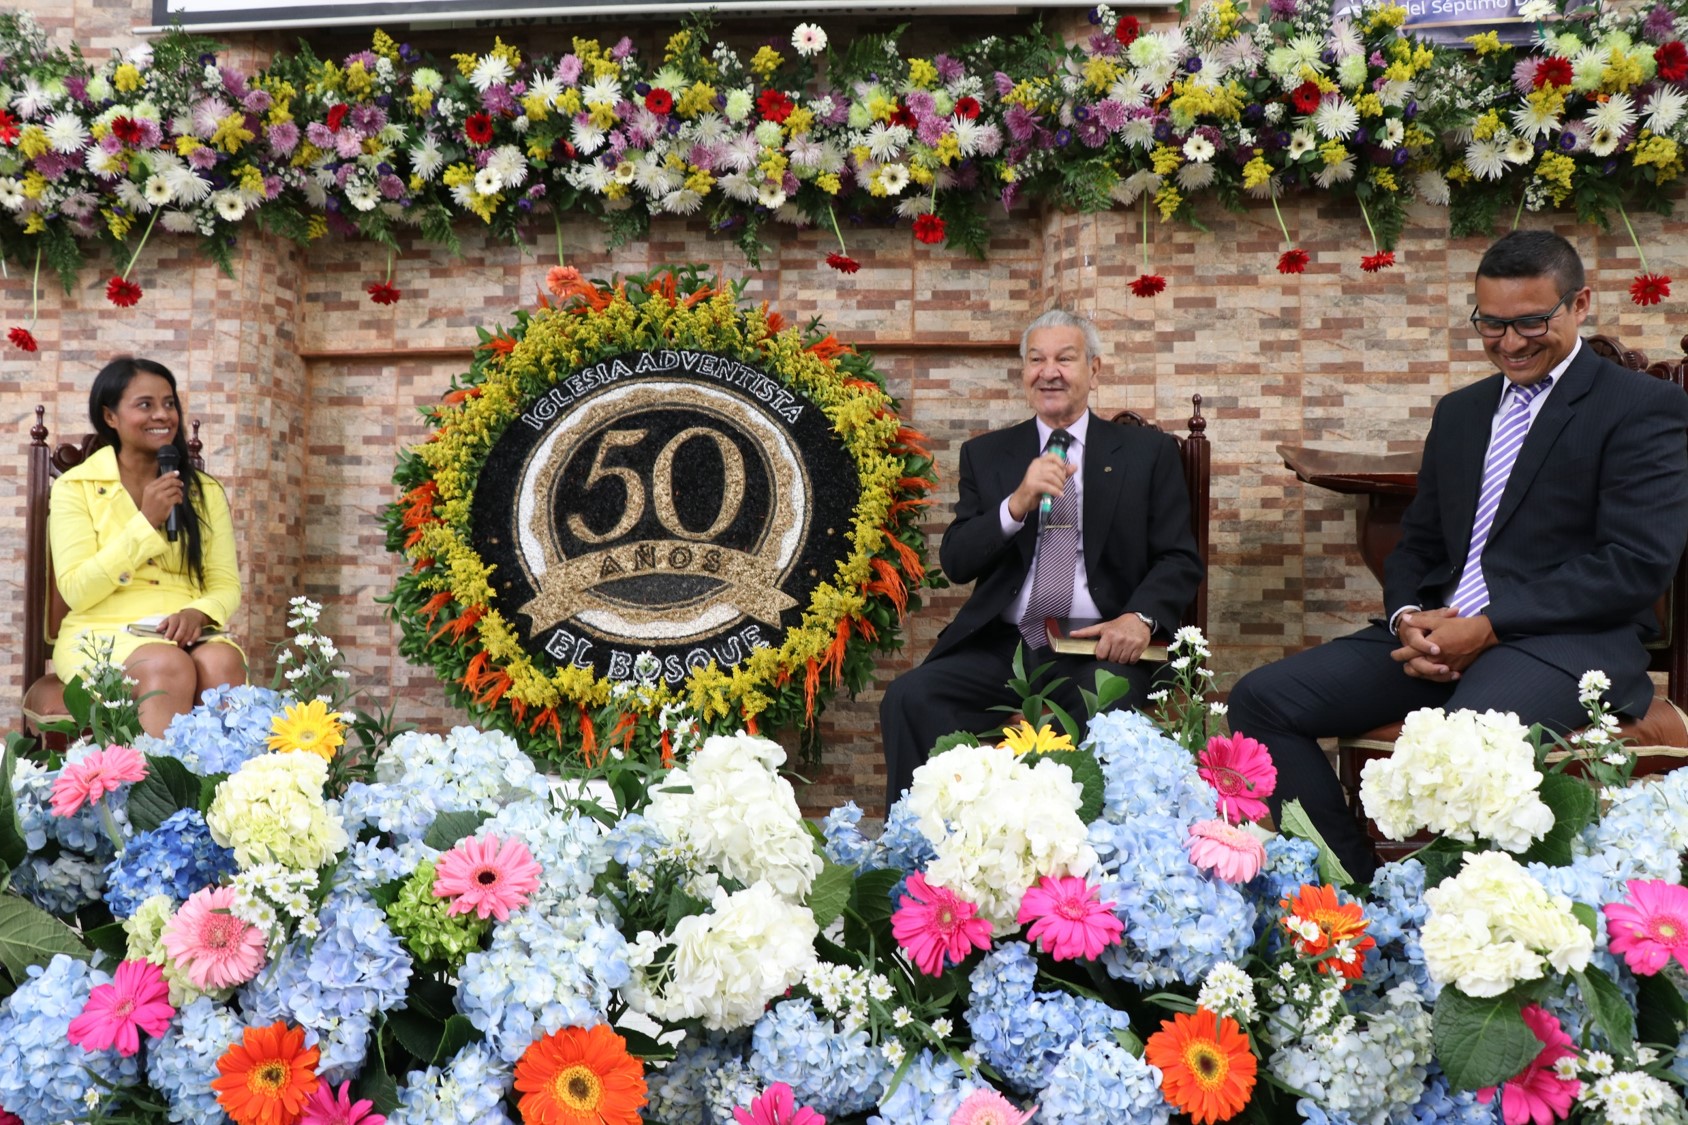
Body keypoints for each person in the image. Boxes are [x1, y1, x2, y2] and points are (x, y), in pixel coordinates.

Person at [1227, 230, 1688, 881]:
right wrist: (1409, 617)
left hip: (1566, 645)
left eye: (1531, 321)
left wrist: (1491, 624)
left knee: (1463, 740)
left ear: (1580, 304)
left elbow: (1637, 561)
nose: (1510, 342)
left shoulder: (1643, 407)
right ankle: (1352, 891)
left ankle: (1468, 913)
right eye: (1491, 324)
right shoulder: (1462, 412)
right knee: (1260, 700)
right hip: (1443, 632)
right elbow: (1419, 541)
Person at [879, 309, 1204, 806]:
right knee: (911, 697)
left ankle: (1080, 864)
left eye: (1065, 359)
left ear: (1094, 371)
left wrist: (1139, 619)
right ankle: (927, 852)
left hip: (1099, 646)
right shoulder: (988, 455)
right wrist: (1017, 504)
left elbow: (1178, 558)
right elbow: (957, 560)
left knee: (1098, 705)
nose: (1048, 371)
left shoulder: (1146, 453)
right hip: (1005, 645)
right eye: (1036, 359)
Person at [50, 357, 246, 738]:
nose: (163, 415)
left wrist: (199, 612)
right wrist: (145, 522)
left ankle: (229, 795)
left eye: (169, 403)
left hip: (181, 630)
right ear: (110, 417)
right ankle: (159, 795)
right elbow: (76, 589)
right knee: (167, 664)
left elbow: (225, 584)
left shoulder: (203, 491)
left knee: (222, 661)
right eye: (146, 405)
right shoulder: (76, 488)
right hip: (101, 630)